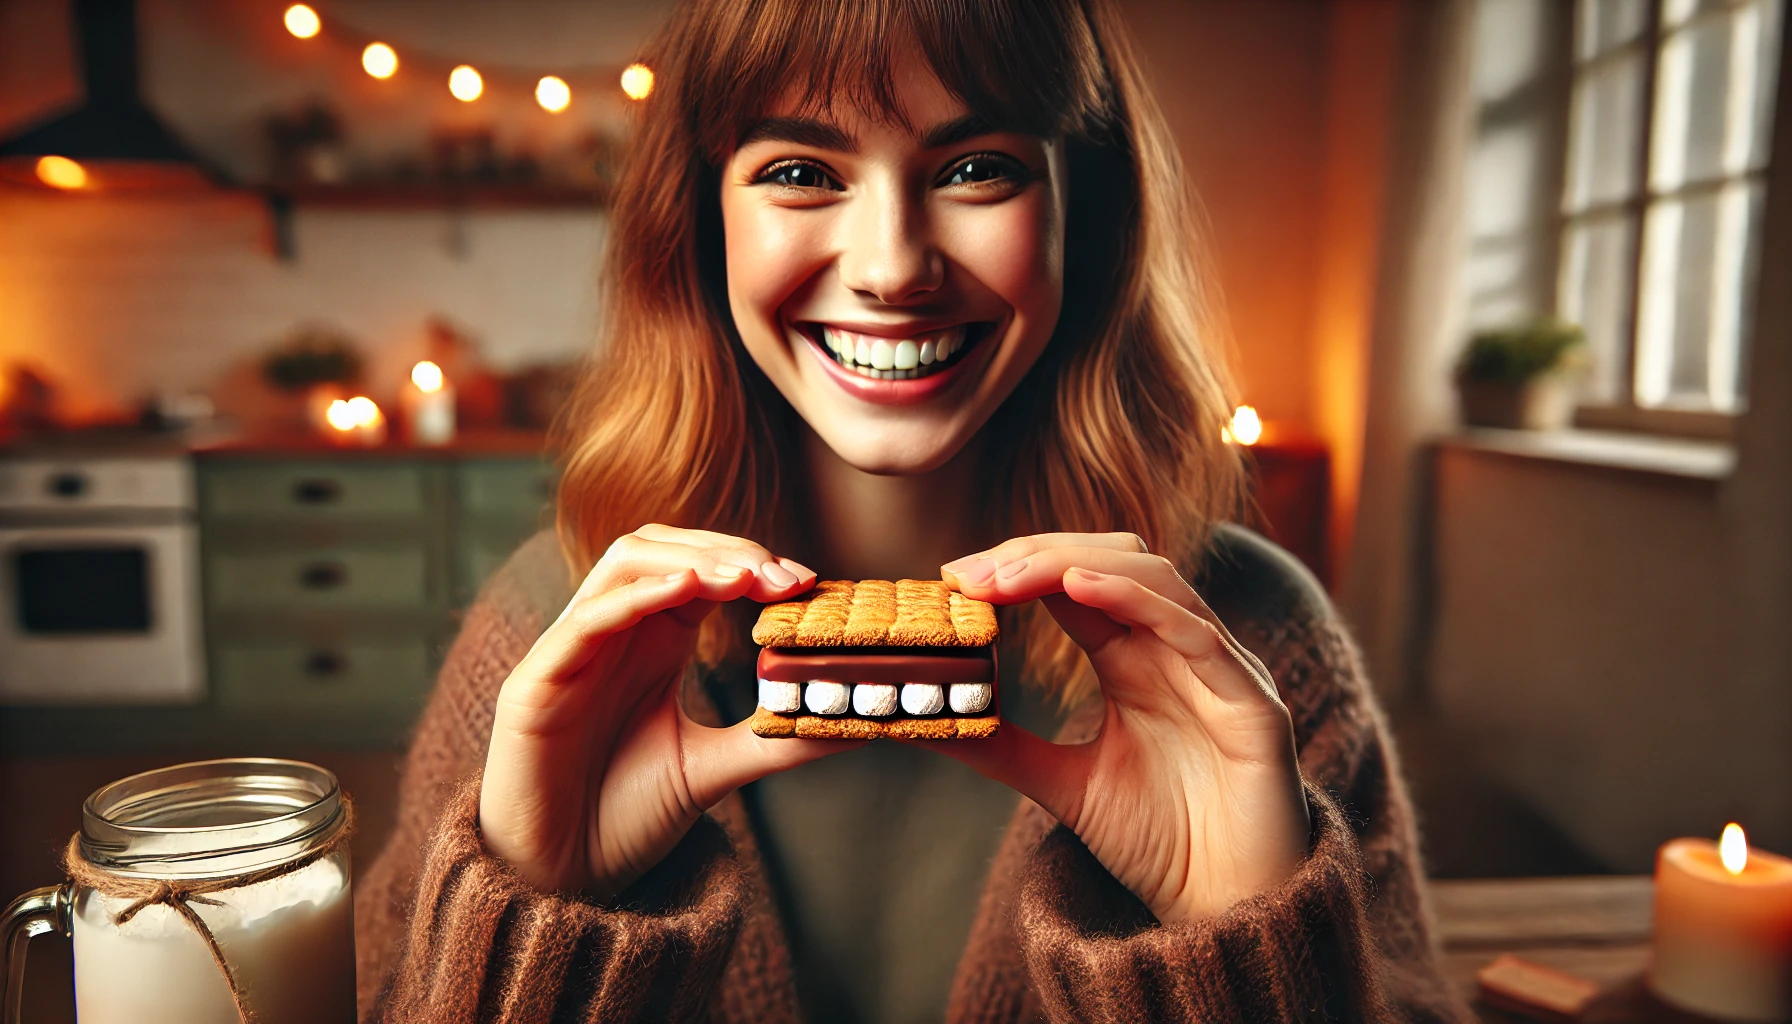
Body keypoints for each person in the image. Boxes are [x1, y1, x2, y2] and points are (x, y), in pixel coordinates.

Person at [354, 0, 1471, 1020]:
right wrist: (527, 924)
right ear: (701, 221)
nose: (890, 266)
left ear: (1083, 211)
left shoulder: (1250, 640)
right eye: (800, 170)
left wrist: (1240, 949)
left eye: (977, 167)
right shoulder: (547, 636)